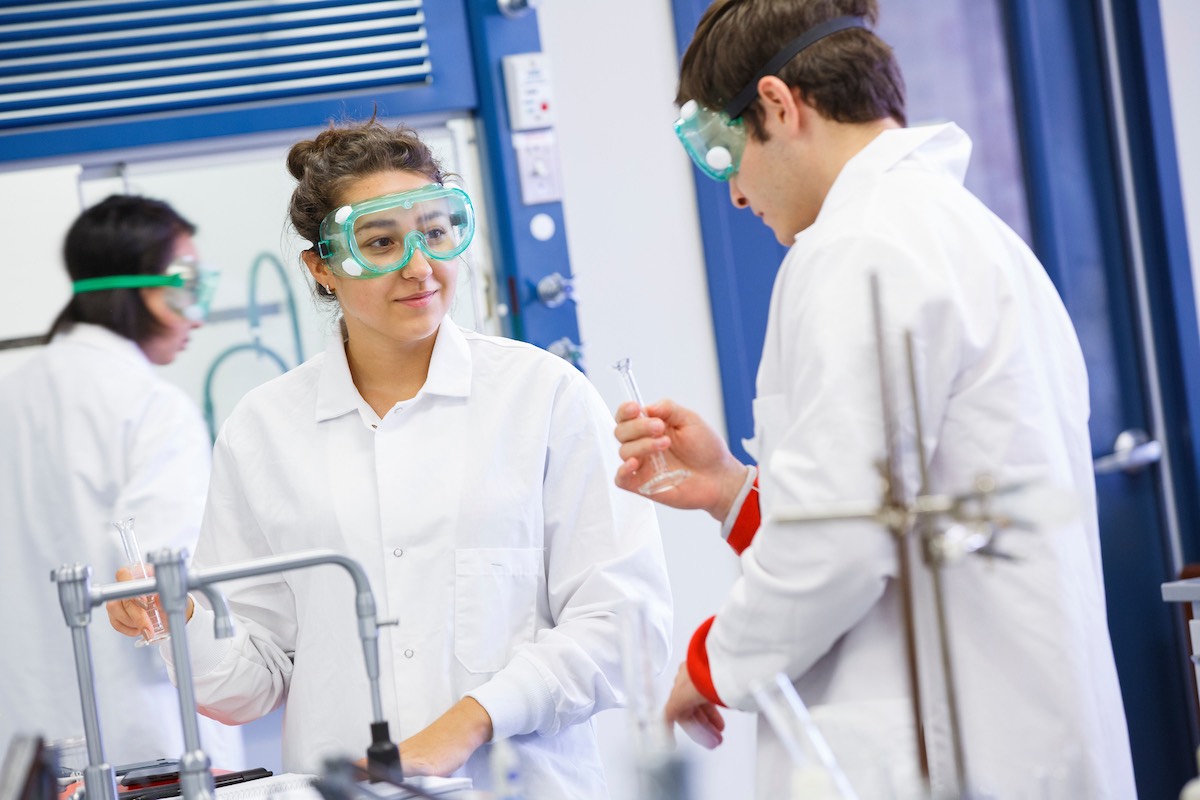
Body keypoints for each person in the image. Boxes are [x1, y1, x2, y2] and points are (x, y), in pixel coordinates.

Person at [612, 1, 1137, 798]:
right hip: (1009, 729)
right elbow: (897, 501)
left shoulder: (859, 248)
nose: (736, 195)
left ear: (781, 106)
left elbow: (839, 540)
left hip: (944, 747)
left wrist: (709, 663)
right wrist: (729, 488)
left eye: (724, 153)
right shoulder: (963, 234)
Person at [106, 119, 673, 799]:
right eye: (380, 243)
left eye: (435, 233)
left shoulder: (543, 397)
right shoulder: (264, 430)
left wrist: (469, 722)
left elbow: (625, 625)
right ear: (321, 266)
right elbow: (250, 686)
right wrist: (176, 616)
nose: (418, 267)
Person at [0, 195, 244, 769]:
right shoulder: (152, 408)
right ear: (138, 288)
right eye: (186, 287)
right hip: (147, 739)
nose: (197, 315)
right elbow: (162, 581)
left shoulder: (9, 396)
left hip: (26, 743)